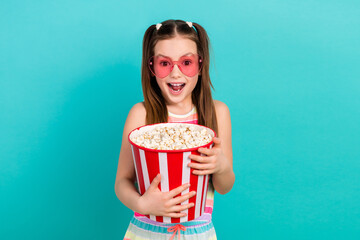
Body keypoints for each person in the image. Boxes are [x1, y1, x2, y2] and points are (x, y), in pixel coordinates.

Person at [115, 19, 235, 240]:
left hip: (199, 233)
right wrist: (142, 203)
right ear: (151, 67)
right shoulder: (140, 114)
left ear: (200, 64)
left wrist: (222, 166)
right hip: (146, 232)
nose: (176, 73)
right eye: (165, 63)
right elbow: (122, 181)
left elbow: (224, 186)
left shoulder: (217, 113)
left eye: (186, 62)